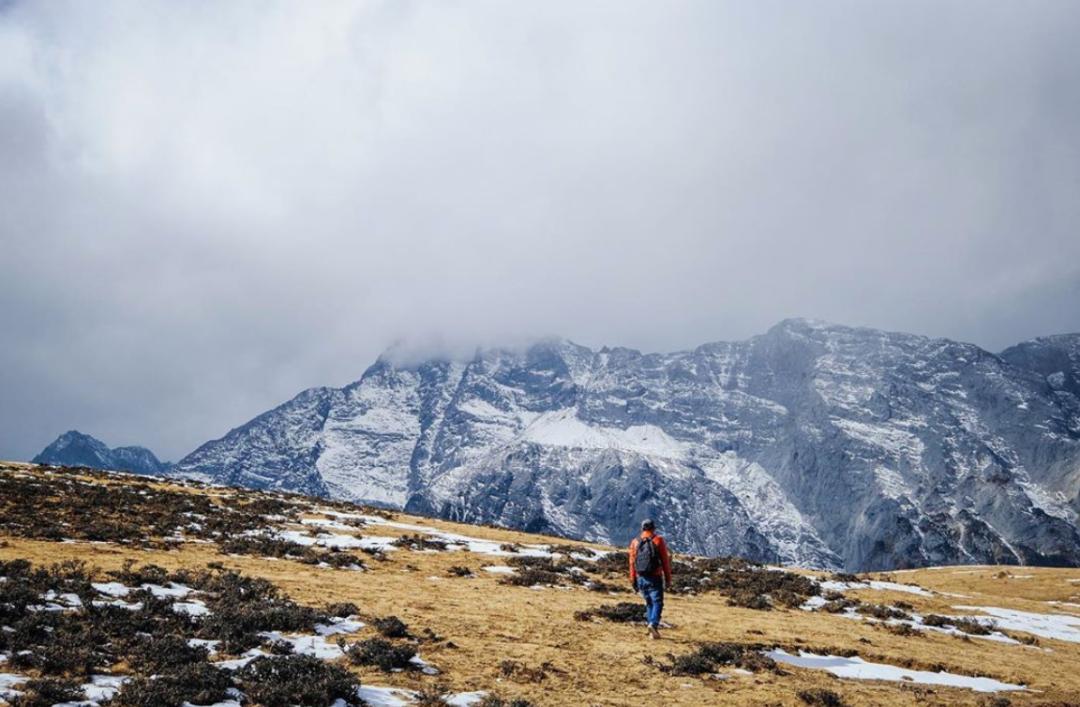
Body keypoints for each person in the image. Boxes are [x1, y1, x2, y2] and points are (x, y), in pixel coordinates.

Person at [628, 518, 672, 639]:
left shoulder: (635, 542)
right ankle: (653, 624)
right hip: (655, 577)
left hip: (641, 577)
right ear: (653, 528)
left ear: (642, 528)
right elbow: (665, 561)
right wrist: (668, 579)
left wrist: (633, 580)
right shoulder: (658, 540)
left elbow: (632, 562)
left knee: (649, 603)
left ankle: (651, 627)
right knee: (657, 602)